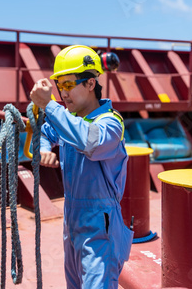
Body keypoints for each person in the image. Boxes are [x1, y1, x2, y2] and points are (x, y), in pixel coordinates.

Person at [29, 45, 133, 289]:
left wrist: (50, 106)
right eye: (59, 86)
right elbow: (45, 132)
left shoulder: (110, 123)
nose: (63, 93)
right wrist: (43, 148)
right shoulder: (71, 119)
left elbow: (90, 141)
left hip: (101, 226)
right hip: (73, 222)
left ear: (90, 84)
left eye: (68, 85)